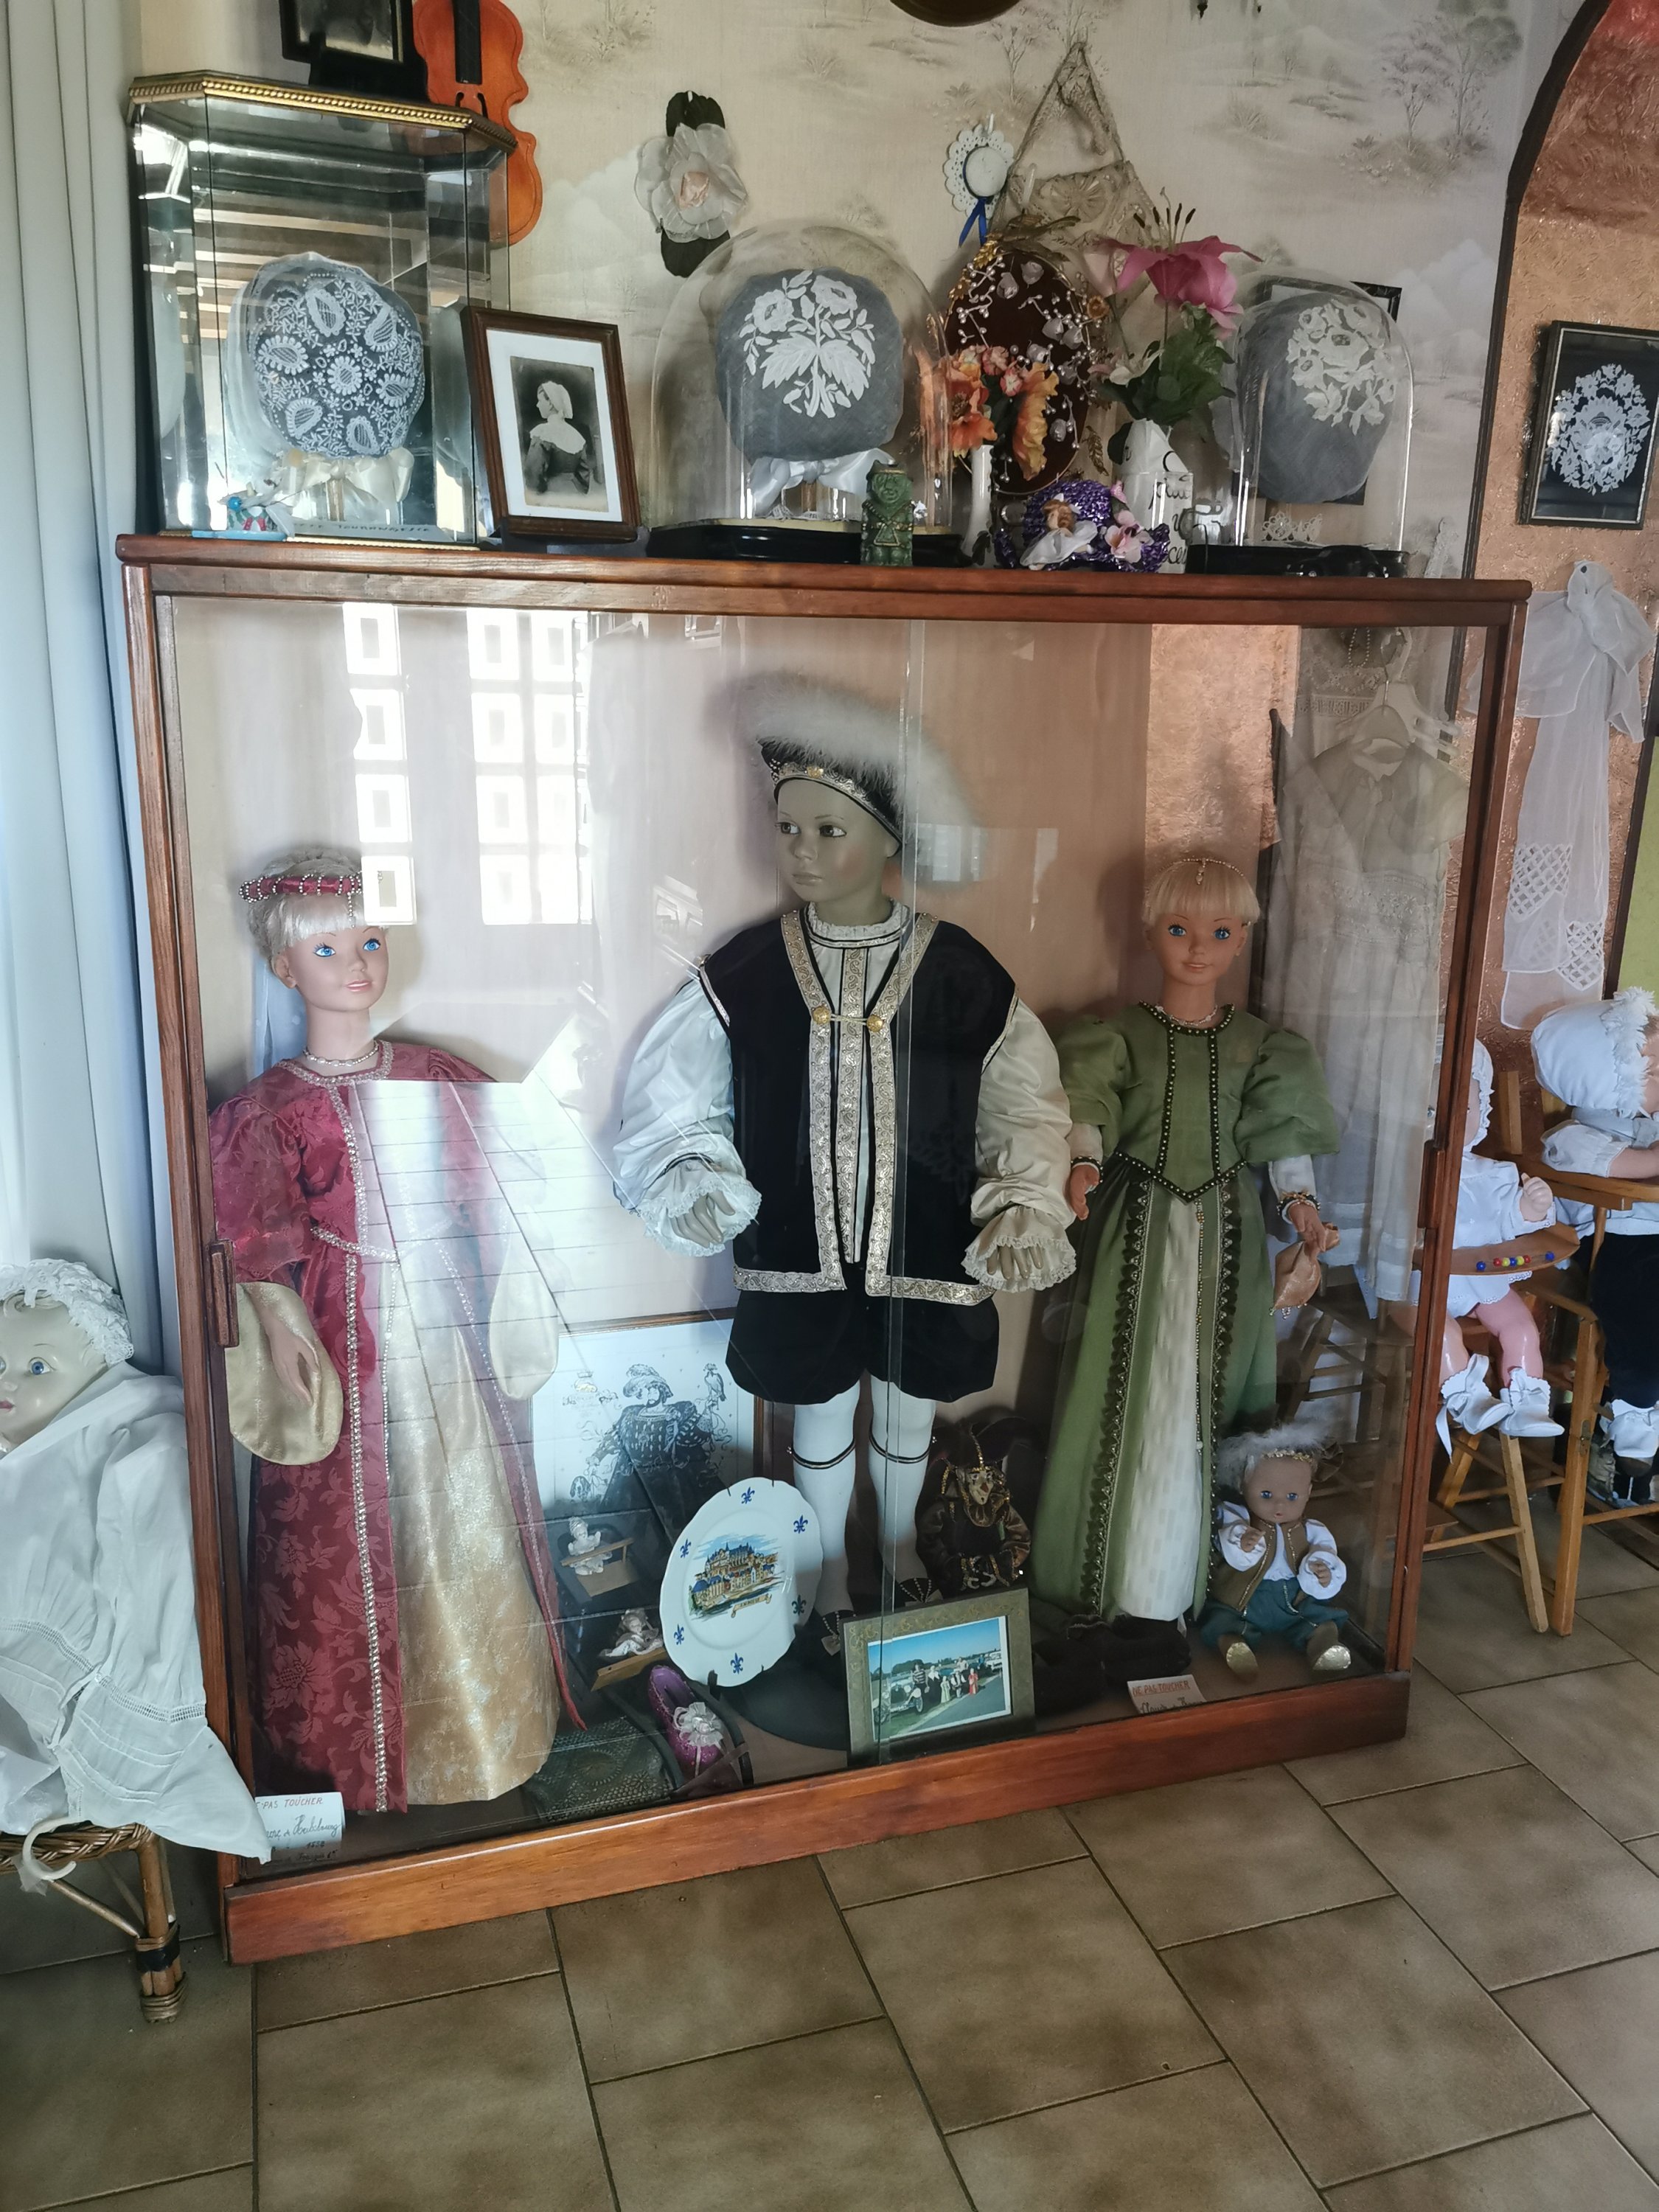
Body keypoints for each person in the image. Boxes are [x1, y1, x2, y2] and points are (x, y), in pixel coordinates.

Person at [613, 679, 1074, 1622]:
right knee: (817, 1415)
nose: (803, 851)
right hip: (799, 1249)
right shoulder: (747, 968)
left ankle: (897, 1554)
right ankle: (825, 1573)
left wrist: (1024, 1196)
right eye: (789, 828)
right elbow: (674, 1093)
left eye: (830, 830)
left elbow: (1021, 1097)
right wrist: (692, 1171)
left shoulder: (960, 970)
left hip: (927, 1240)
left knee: (908, 1412)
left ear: (890, 838)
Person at [209, 851, 567, 1812]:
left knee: (462, 1503)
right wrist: (283, 1322)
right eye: (328, 950)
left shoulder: (432, 1074)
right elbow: (255, 1234)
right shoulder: (267, 1109)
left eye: (368, 942)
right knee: (348, 1525)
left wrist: (509, 1267)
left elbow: (500, 1176)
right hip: (341, 1322)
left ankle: (486, 1731)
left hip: (439, 1319)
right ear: (286, 968)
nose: (357, 964)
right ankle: (354, 1761)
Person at [1030, 855, 1339, 1668]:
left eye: (1220, 932)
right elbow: (1088, 1109)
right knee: (1124, 1393)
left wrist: (1302, 1206)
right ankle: (1105, 1579)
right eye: (1178, 929)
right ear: (1149, 934)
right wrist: (1083, 1164)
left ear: (1242, 938)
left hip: (1228, 1240)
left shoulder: (1260, 1046)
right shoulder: (1118, 1033)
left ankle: (1198, 1588)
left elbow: (1284, 1144)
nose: (1199, 949)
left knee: (1206, 1396)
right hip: (1134, 1235)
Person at [1534, 986, 1659, 1504]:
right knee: (1639, 1311)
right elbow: (1638, 1168)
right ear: (1606, 1080)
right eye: (1652, 1072)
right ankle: (1637, 1412)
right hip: (1619, 1245)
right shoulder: (1574, 1138)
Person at [1440, 1040, 1565, 1444]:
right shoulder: (1405, 1172)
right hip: (1419, 1286)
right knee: (1442, 1334)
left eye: (1467, 1107)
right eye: (1433, 1108)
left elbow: (1510, 1220)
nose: (1453, 1119)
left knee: (1521, 1326)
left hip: (1479, 1279)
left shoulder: (1493, 1174)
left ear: (1483, 1109)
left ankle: (1526, 1403)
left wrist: (1531, 1207)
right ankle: (1467, 1399)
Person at [1197, 1420, 1350, 1680]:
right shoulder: (1238, 1518)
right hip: (1246, 1598)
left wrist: (1322, 1571)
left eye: (1292, 1497)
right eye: (1266, 1495)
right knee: (1223, 1618)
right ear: (1243, 1485)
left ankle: (1322, 1643)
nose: (1280, 1506)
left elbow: (1326, 1552)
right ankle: (1234, 1646)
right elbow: (1226, 1540)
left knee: (1318, 1616)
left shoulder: (1312, 1529)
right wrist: (1243, 1542)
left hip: (1294, 1599)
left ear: (1308, 1492)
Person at [525, 378, 591, 495]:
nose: (537, 405)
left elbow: (533, 476)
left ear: (550, 403)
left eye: (540, 401)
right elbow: (584, 477)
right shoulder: (576, 435)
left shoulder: (543, 433)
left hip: (551, 494)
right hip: (574, 494)